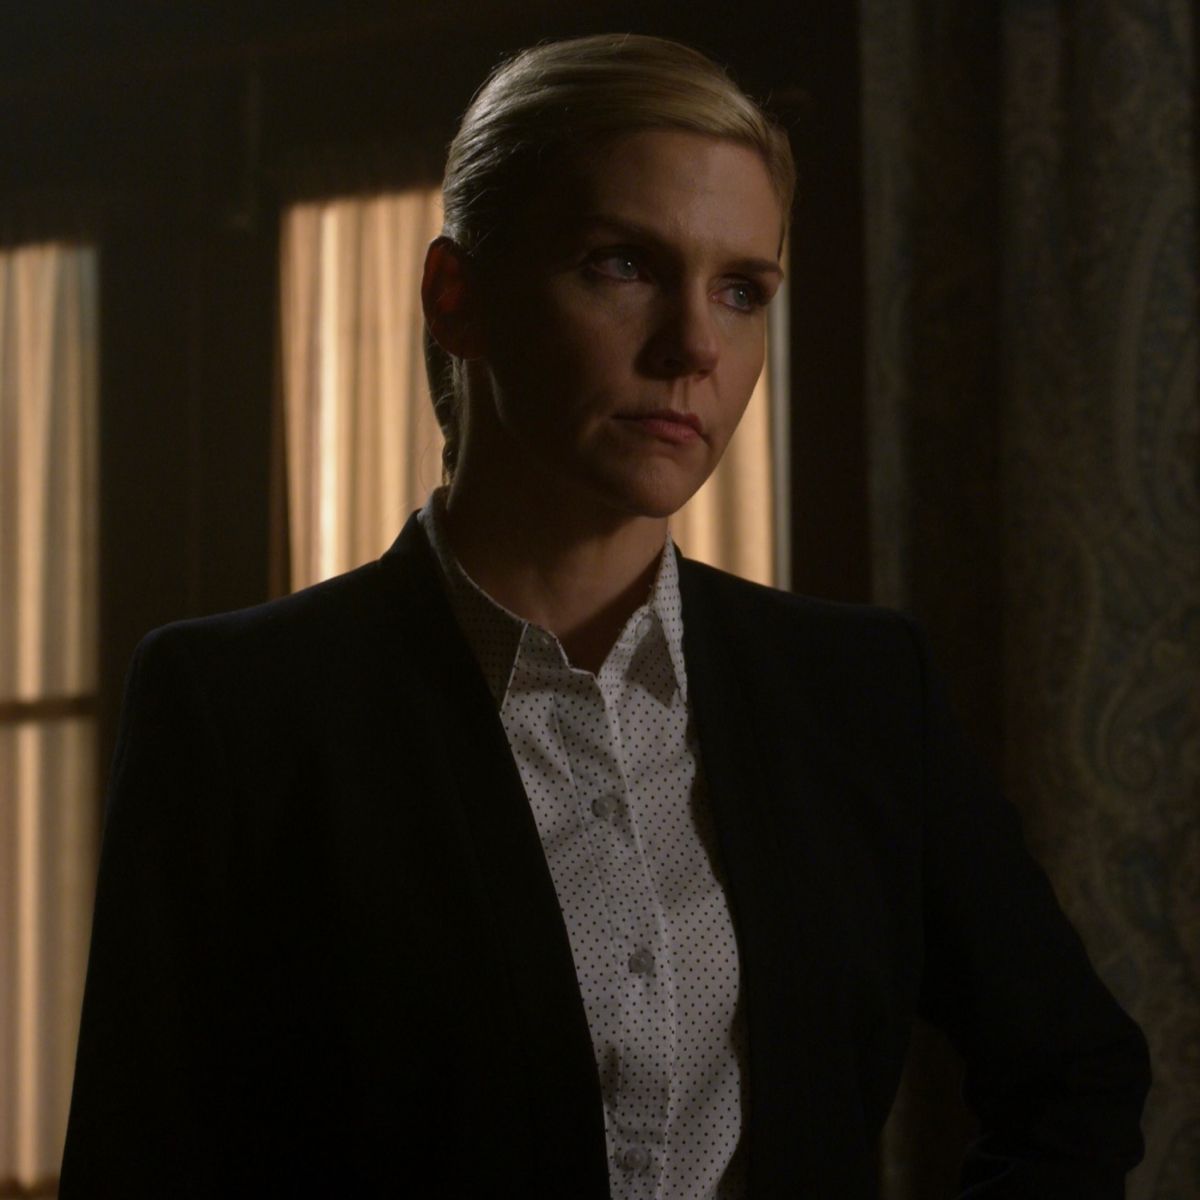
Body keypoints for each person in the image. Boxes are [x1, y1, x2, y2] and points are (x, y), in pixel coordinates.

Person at [60, 33, 1150, 1199]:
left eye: (742, 290)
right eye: (623, 265)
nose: (695, 346)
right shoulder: (242, 712)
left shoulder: (860, 691)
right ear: (457, 296)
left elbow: (1076, 1076)